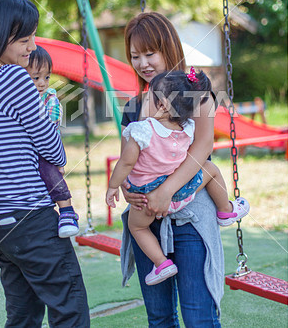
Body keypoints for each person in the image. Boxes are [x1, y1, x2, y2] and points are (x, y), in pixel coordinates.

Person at [0, 0, 90, 327]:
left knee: (22, 313)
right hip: (31, 214)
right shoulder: (13, 76)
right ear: (0, 33)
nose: (32, 46)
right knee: (69, 305)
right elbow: (51, 147)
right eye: (25, 37)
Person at [120, 11, 226, 327]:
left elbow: (202, 148)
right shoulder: (134, 105)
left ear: (169, 48)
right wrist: (127, 190)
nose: (143, 63)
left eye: (150, 53)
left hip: (190, 216)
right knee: (160, 317)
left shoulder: (197, 93)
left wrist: (166, 191)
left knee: (198, 316)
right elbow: (128, 157)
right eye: (135, 56)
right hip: (146, 219)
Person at [107, 69, 249, 286]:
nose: (146, 102)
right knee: (211, 169)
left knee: (137, 227)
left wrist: (113, 186)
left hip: (147, 199)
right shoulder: (188, 128)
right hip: (179, 194)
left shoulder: (141, 130)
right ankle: (226, 211)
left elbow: (126, 162)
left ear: (162, 104)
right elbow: (197, 153)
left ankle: (162, 264)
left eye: (151, 98)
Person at [26, 46, 79, 238]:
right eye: (36, 77)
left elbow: (49, 128)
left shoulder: (49, 98)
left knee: (48, 170)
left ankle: (66, 210)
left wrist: (57, 161)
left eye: (46, 77)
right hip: (26, 150)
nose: (42, 83)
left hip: (45, 149)